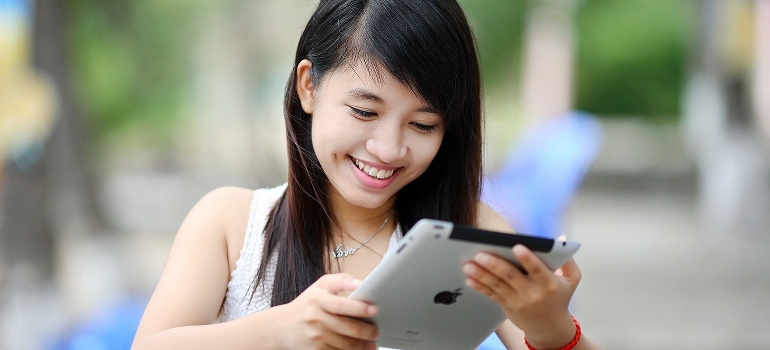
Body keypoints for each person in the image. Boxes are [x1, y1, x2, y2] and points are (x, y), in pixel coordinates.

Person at [131, 0, 601, 349]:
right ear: (308, 86)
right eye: (363, 111)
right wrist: (280, 329)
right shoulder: (231, 223)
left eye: (423, 124)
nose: (389, 148)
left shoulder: (469, 231)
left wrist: (550, 326)